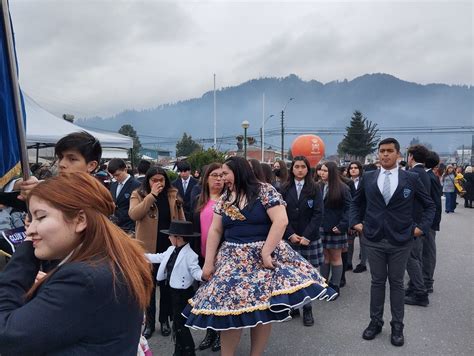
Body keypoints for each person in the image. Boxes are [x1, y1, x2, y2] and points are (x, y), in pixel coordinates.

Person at [182, 156, 337, 356]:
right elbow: (215, 231)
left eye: (225, 174)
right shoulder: (225, 198)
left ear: (238, 172)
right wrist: (209, 262)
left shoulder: (265, 190)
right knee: (229, 310)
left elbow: (280, 221)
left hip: (261, 258)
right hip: (232, 259)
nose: (222, 178)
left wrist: (266, 252)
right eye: (219, 174)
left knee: (262, 310)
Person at [0, 172, 153, 355]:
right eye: (30, 219)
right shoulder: (108, 261)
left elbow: (6, 334)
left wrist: (27, 250)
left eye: (40, 217)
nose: (30, 230)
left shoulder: (83, 279)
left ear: (80, 220)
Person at [350, 137, 435, 347]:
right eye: (382, 151)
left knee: (396, 284)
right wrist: (355, 223)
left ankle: (397, 326)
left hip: (401, 240)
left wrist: (420, 228)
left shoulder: (411, 178)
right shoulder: (369, 177)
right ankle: (375, 322)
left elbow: (430, 205)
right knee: (377, 283)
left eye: (389, 151)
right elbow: (355, 203)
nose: (385, 154)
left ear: (398, 154)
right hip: (374, 239)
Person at [129, 166, 185, 339]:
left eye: (161, 180)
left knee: (167, 286)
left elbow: (181, 218)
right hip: (147, 248)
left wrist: (183, 241)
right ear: (148, 180)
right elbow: (134, 214)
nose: (158, 183)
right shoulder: (138, 194)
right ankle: (149, 322)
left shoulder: (172, 194)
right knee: (149, 287)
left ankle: (165, 320)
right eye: (154, 180)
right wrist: (151, 195)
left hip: (168, 246)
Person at [145, 220, 203, 356]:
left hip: (183, 294)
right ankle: (179, 350)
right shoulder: (170, 249)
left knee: (180, 324)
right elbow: (158, 257)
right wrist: (138, 255)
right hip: (170, 291)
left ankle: (188, 350)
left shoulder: (191, 255)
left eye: (171, 235)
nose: (168, 237)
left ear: (178, 238)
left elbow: (196, 271)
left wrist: (204, 275)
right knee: (176, 324)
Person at [280, 156, 324, 327]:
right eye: (296, 166)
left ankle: (308, 309)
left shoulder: (315, 188)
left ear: (308, 169)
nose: (299, 169)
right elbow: (280, 214)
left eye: (303, 167)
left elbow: (318, 213)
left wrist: (307, 235)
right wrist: (290, 234)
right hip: (289, 237)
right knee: (291, 275)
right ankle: (294, 306)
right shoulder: (284, 188)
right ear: (292, 169)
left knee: (307, 275)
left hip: (309, 239)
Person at [190, 163, 225, 352]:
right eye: (214, 175)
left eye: (221, 175)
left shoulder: (229, 201)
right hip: (201, 256)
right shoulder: (198, 200)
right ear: (206, 178)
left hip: (223, 257)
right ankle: (210, 333)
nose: (218, 179)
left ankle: (221, 333)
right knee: (205, 297)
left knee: (220, 297)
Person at [405, 144, 433, 307]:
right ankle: (414, 286)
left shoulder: (413, 174)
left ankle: (420, 293)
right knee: (416, 257)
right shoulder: (424, 173)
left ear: (411, 157)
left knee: (411, 258)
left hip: (413, 222)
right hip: (420, 221)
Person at [318, 161, 351, 295]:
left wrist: (342, 225)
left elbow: (349, 208)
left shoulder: (343, 188)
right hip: (321, 227)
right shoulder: (318, 186)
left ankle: (335, 285)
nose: (322, 173)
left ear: (332, 172)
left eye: (325, 171)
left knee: (336, 257)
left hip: (336, 228)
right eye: (321, 170)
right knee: (324, 256)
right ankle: (323, 284)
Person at [423, 150, 443, 294]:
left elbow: (434, 203)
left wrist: (432, 222)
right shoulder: (430, 176)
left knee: (428, 252)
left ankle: (427, 281)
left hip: (427, 222)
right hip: (428, 221)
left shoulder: (429, 177)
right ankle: (424, 280)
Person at [345, 161, 368, 274]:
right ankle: (349, 263)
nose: (353, 170)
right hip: (351, 215)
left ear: (360, 169)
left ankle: (363, 263)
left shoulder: (364, 181)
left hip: (364, 215)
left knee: (364, 241)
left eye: (355, 168)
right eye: (351, 168)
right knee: (349, 241)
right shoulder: (345, 182)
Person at [108, 158, 141, 233]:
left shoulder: (136, 185)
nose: (116, 178)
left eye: (117, 175)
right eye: (113, 176)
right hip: (115, 226)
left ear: (125, 170)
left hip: (130, 227)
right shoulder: (113, 184)